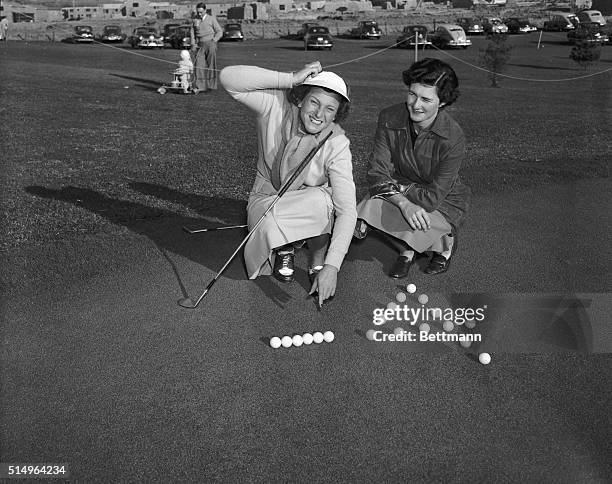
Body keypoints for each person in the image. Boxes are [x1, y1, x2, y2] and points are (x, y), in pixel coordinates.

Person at [220, 62, 356, 306]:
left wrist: (332, 266)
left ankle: (317, 258)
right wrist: (290, 78)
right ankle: (284, 248)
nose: (319, 114)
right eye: (314, 102)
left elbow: (347, 210)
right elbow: (229, 78)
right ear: (301, 98)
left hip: (307, 205)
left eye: (329, 109)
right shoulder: (275, 107)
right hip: (267, 200)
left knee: (325, 201)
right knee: (272, 222)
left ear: (337, 114)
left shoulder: (337, 143)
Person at [356, 58, 471, 278]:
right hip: (403, 192)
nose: (415, 105)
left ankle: (445, 245)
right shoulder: (389, 117)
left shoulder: (454, 137)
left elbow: (431, 198)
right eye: (412, 94)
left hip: (443, 201)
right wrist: (404, 204)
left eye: (426, 99)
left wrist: (399, 189)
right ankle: (407, 249)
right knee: (367, 209)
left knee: (420, 216)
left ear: (443, 102)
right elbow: (376, 174)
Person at [189, 3, 222, 94]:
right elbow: (192, 32)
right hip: (199, 45)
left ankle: (211, 86)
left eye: (201, 12)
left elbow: (219, 31)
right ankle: (200, 87)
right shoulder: (195, 20)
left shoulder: (211, 19)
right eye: (198, 12)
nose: (199, 14)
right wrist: (193, 44)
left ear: (205, 10)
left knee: (211, 65)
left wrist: (214, 40)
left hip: (210, 44)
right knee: (198, 66)